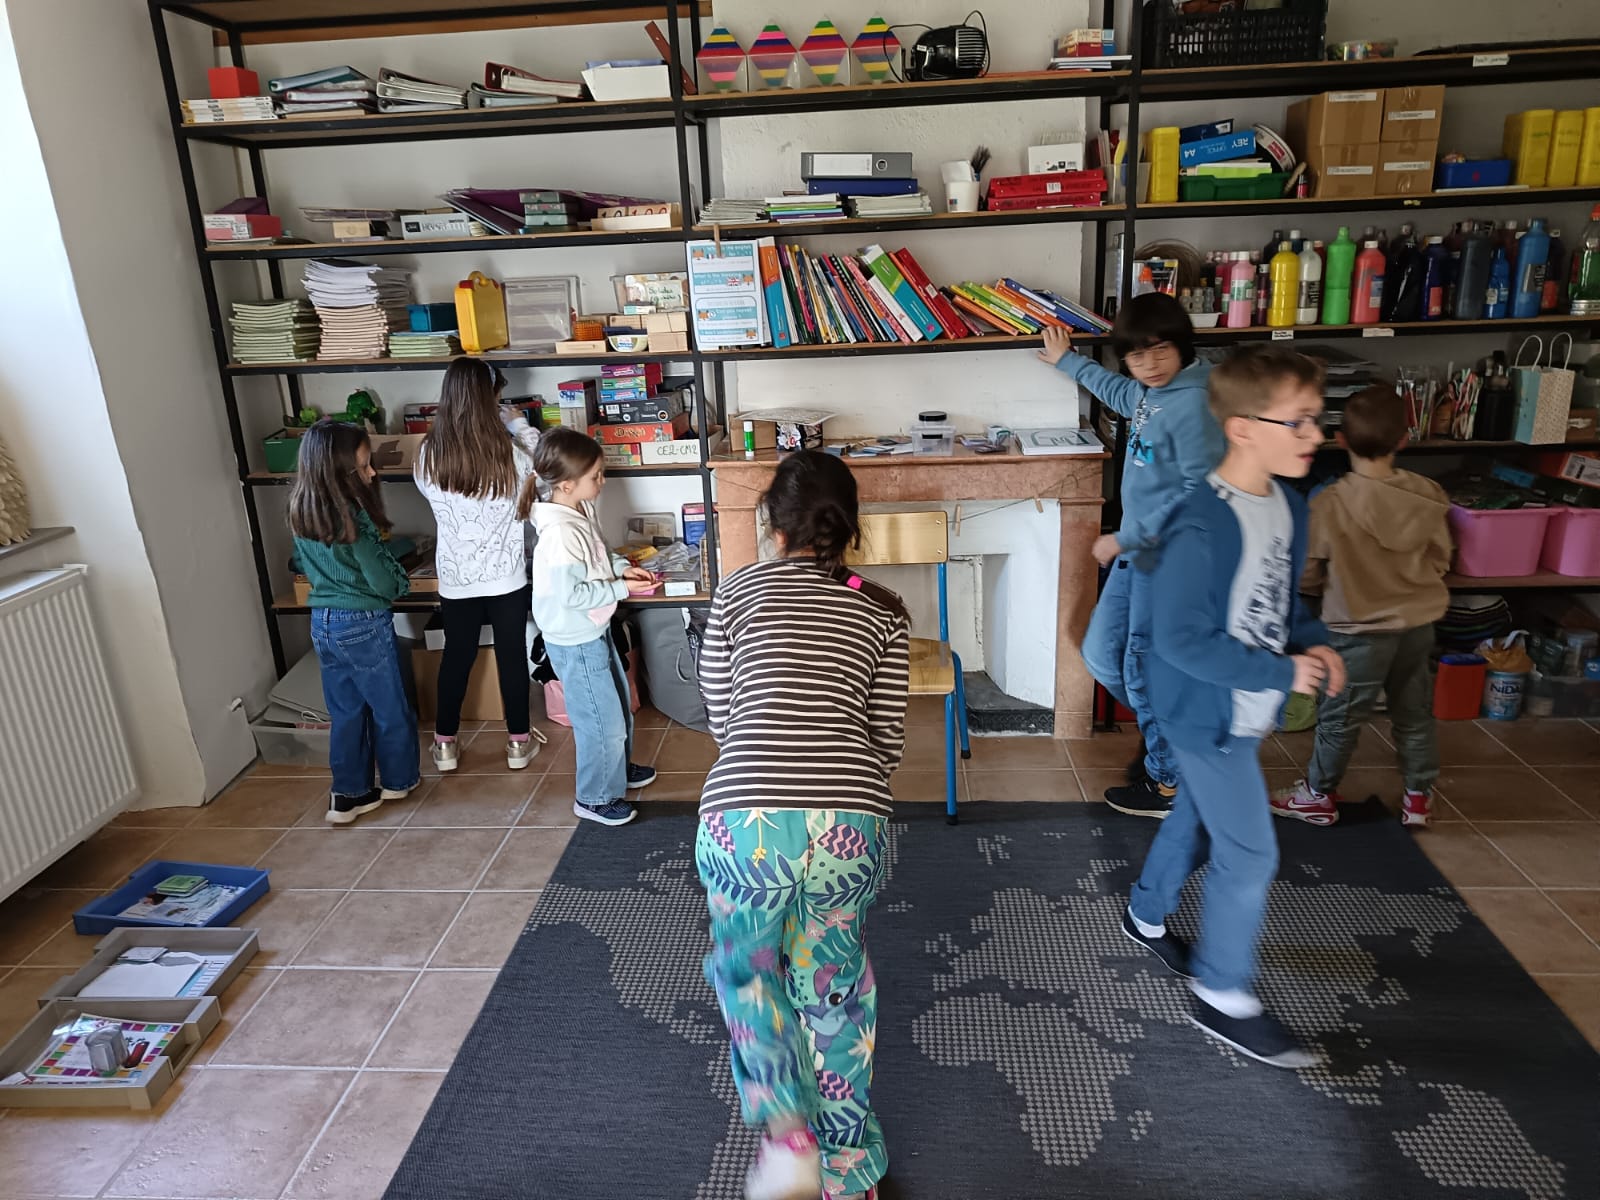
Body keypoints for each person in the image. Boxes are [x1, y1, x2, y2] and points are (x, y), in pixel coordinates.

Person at [1121, 345, 1346, 1067]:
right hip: (1202, 712)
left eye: (1317, 420)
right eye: (1299, 421)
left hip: (1245, 706)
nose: (1316, 435)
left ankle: (1146, 912)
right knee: (1249, 854)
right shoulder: (1200, 523)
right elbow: (1182, 640)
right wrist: (1283, 671)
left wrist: (1313, 642)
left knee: (1196, 817)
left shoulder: (1287, 504)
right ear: (1243, 428)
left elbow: (1277, 602)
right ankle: (1221, 993)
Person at [696, 450, 909, 1200]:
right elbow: (886, 742)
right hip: (850, 817)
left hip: (746, 815)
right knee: (834, 987)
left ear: (773, 525)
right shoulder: (884, 607)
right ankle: (848, 1172)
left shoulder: (737, 592)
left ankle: (788, 1133)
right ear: (850, 527)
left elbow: (720, 716)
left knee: (748, 971)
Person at [1038, 292, 1225, 819]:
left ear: (1183, 345)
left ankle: (1169, 782)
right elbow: (1122, 393)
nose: (1150, 364)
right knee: (1102, 655)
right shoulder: (1152, 391)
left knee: (1141, 669)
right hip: (1138, 552)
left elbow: (1200, 493)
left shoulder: (1195, 404)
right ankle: (1172, 727)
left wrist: (1127, 537)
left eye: (1160, 350)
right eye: (1137, 356)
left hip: (1169, 560)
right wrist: (1069, 362)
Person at [1272, 384, 1453, 829]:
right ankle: (1418, 798)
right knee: (1414, 714)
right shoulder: (1428, 493)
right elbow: (1441, 558)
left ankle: (1319, 794)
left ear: (1340, 439)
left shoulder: (1329, 502)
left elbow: (1308, 571)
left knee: (1340, 718)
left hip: (1355, 630)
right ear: (1404, 439)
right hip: (1417, 624)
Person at [415, 358, 545, 773]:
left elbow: (432, 497)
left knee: (457, 656)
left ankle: (445, 745)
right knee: (511, 655)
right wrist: (519, 425)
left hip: (456, 578)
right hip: (506, 577)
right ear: (490, 400)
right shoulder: (511, 454)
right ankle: (518, 743)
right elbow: (546, 472)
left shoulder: (428, 455)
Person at [288, 420, 420, 825]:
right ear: (339, 471)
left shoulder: (301, 510)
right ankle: (398, 780)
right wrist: (400, 581)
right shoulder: (354, 517)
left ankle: (348, 794)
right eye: (364, 466)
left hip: (322, 622)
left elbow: (304, 563)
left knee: (345, 711)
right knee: (389, 706)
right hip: (363, 620)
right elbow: (381, 579)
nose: (372, 473)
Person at [528, 427, 658, 826]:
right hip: (576, 640)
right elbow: (573, 595)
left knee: (619, 709)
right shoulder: (560, 534)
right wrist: (621, 588)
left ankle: (614, 770)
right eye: (595, 476)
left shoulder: (579, 511)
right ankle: (595, 797)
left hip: (593, 629)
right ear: (567, 484)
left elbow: (600, 555)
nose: (602, 481)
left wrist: (623, 569)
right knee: (601, 724)